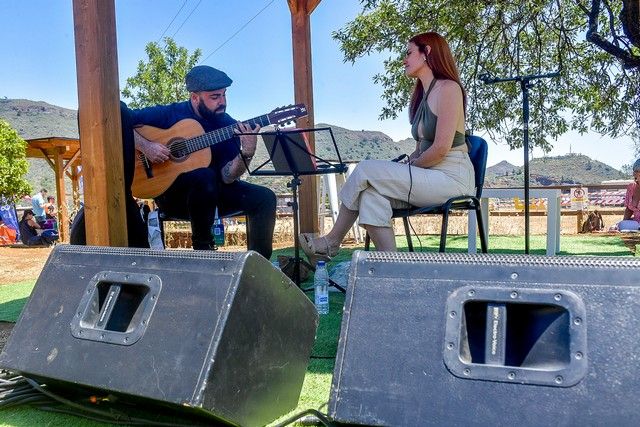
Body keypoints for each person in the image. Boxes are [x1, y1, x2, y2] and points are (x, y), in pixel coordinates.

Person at [299, 32, 475, 263]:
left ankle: (332, 240)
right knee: (371, 196)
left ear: (427, 52)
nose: (404, 59)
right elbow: (423, 148)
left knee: (365, 169)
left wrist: (411, 166)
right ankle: (392, 267)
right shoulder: (424, 95)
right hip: (429, 176)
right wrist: (408, 163)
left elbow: (441, 149)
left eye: (409, 52)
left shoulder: (449, 89)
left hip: (452, 177)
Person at [128, 65, 277, 258]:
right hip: (174, 197)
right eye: (215, 97)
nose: (222, 102)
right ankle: (203, 252)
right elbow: (120, 117)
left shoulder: (227, 125)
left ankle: (258, 266)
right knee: (204, 176)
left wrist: (246, 153)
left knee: (265, 197)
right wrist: (146, 146)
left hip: (215, 196)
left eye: (224, 95)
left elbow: (227, 176)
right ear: (195, 97)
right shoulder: (171, 114)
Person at [617, 159, 640, 231]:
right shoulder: (631, 187)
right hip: (636, 223)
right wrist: (623, 223)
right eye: (636, 171)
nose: (638, 173)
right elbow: (629, 210)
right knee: (620, 225)